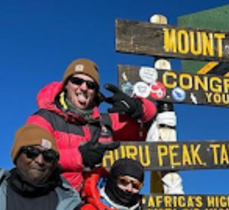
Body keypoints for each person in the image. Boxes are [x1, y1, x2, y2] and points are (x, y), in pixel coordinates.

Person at [27, 58, 157, 194]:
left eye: (90, 85)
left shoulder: (105, 123)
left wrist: (139, 108)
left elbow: (148, 131)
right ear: (65, 85)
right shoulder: (44, 118)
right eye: (77, 81)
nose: (83, 88)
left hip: (94, 206)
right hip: (52, 200)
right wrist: (79, 157)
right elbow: (31, 158)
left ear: (95, 91)